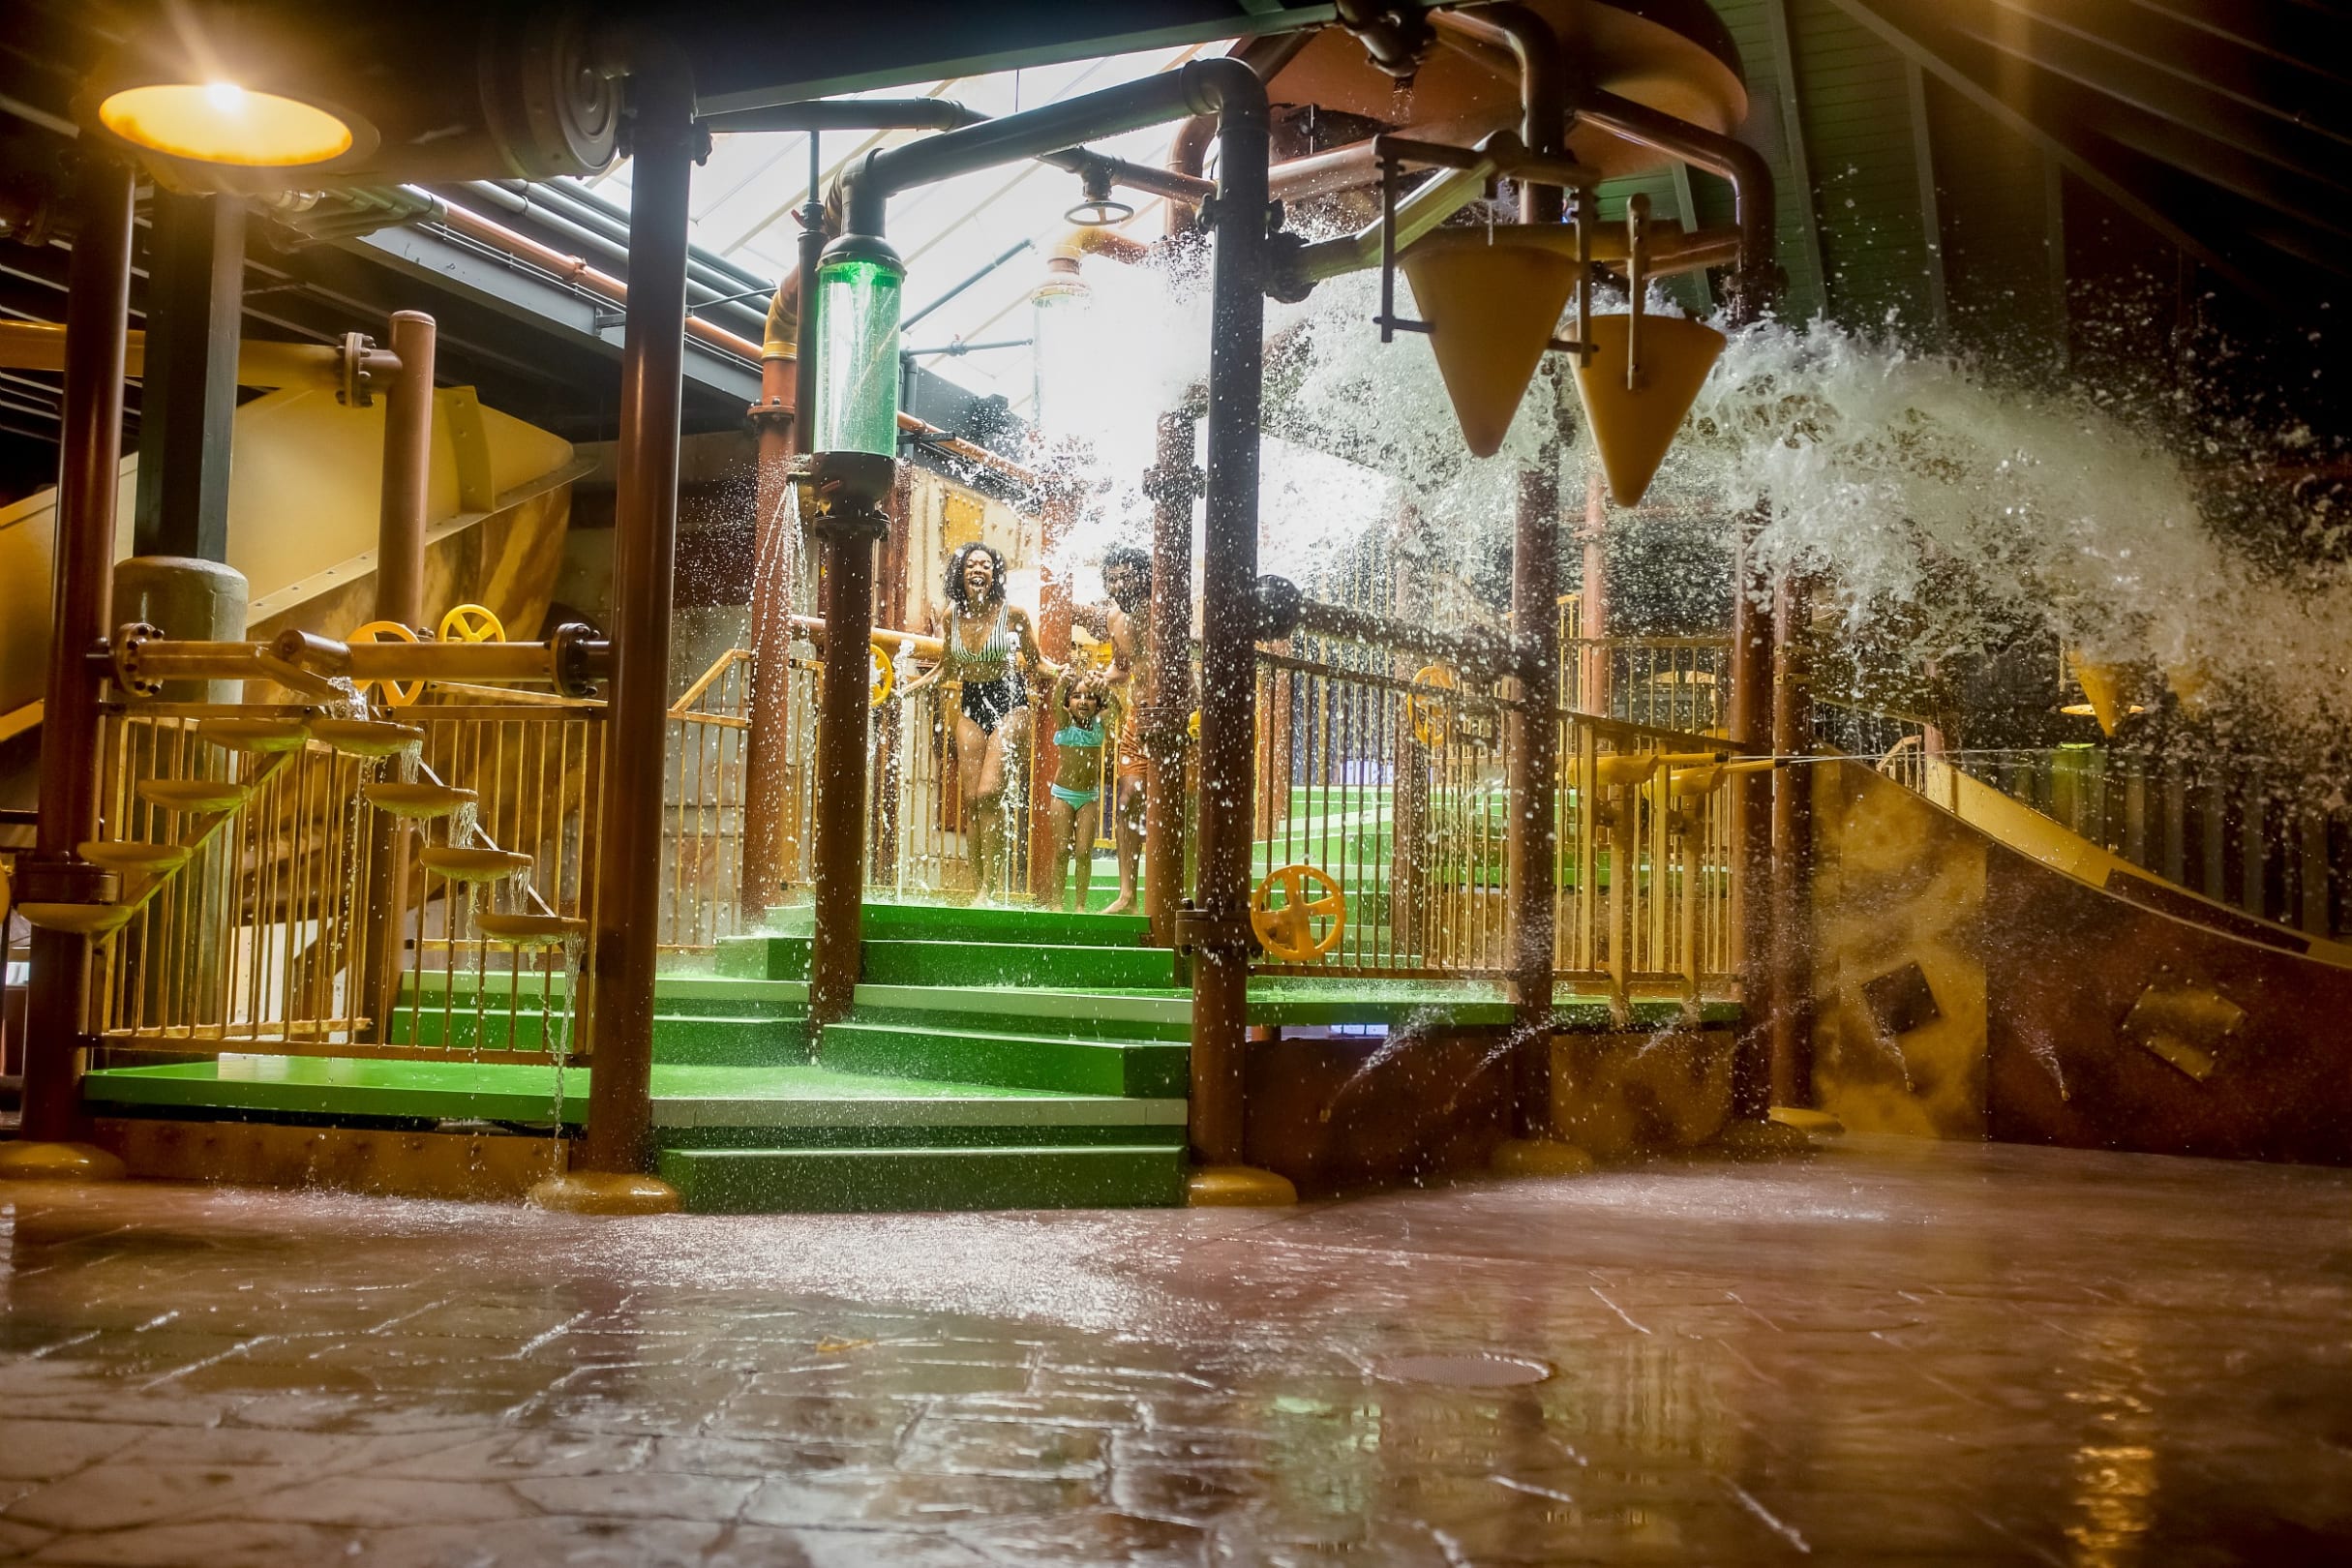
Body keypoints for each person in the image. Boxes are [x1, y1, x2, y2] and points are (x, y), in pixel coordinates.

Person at [899, 542, 1054, 903]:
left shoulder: (1014, 614)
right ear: (961, 575)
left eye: (985, 564)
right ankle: (977, 887)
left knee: (989, 794)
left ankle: (991, 887)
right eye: (971, 565)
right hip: (971, 704)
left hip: (1010, 703)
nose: (978, 570)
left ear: (994, 574)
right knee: (971, 800)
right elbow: (946, 669)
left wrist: (1061, 672)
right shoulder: (952, 617)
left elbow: (1037, 663)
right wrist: (906, 689)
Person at [1073, 544, 1151, 915]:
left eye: (1126, 577)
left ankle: (1182, 892)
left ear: (1144, 577)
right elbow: (1122, 668)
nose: (1119, 585)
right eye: (1113, 579)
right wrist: (1098, 678)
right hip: (1140, 717)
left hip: (1181, 718)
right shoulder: (1115, 619)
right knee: (1127, 798)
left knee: (1182, 807)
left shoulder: (1167, 607)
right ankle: (1127, 896)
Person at [1042, 668, 1116, 912]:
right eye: (1076, 696)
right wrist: (1060, 685)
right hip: (1063, 795)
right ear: (1068, 702)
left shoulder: (1098, 723)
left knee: (1084, 853)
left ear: (1097, 703)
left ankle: (1080, 905)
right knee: (1062, 851)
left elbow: (1117, 709)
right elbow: (1055, 702)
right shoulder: (1065, 721)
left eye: (1090, 697)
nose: (1083, 701)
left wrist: (1105, 689)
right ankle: (1056, 903)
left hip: (1088, 798)